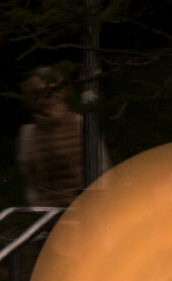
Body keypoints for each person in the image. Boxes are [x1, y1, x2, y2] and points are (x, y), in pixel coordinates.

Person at [15, 67, 107, 208]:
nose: (48, 98)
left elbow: (102, 170)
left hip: (86, 210)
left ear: (63, 93)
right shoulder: (28, 134)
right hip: (49, 215)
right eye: (40, 94)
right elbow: (30, 185)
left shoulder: (81, 124)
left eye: (53, 91)